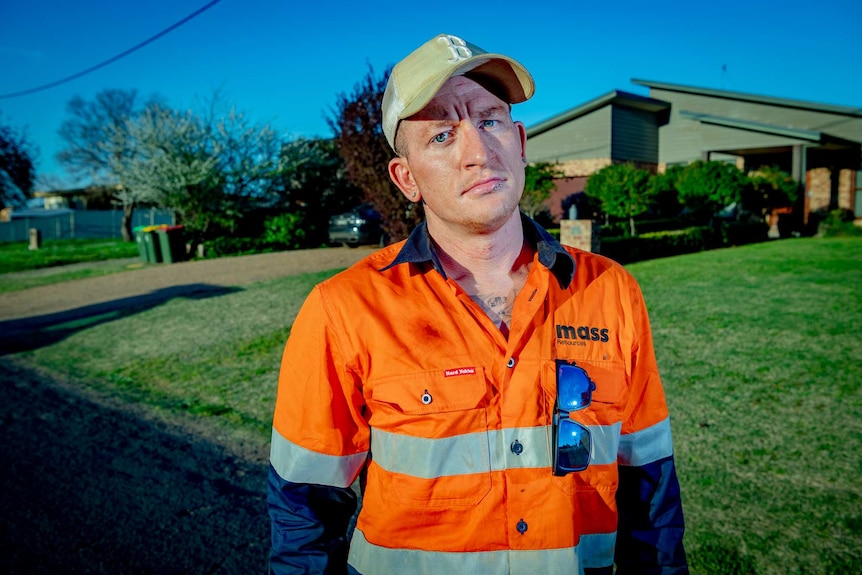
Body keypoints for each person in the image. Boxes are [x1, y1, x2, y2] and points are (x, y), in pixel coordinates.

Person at [267, 33, 689, 575]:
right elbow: (304, 510)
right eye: (442, 135)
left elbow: (650, 488)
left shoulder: (612, 292)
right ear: (407, 177)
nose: (478, 151)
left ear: (519, 141)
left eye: (489, 121)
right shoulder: (343, 309)